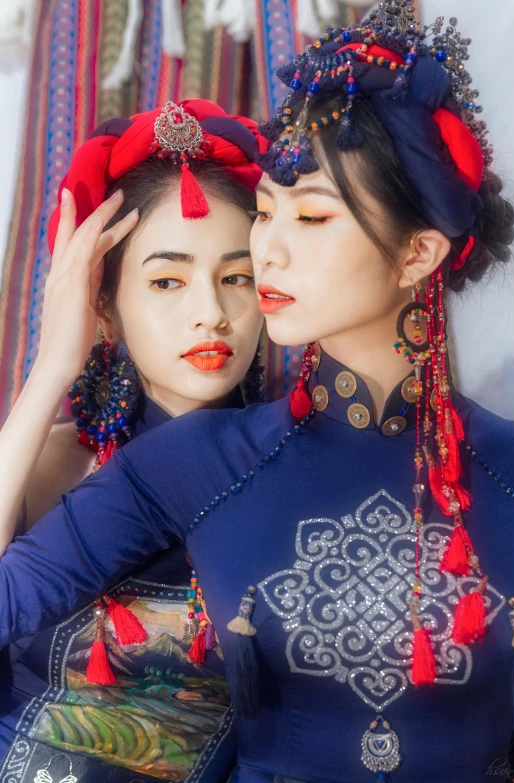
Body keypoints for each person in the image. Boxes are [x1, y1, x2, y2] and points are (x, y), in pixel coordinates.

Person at [0, 3, 514, 781]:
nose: (267, 252)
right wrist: (51, 366)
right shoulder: (191, 463)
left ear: (419, 253)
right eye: (267, 216)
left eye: (310, 218)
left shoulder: (508, 466)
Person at [0, 99, 267, 782]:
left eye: (237, 278)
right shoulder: (49, 465)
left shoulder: (293, 471)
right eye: (167, 280)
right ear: (106, 306)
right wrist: (52, 365)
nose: (210, 312)